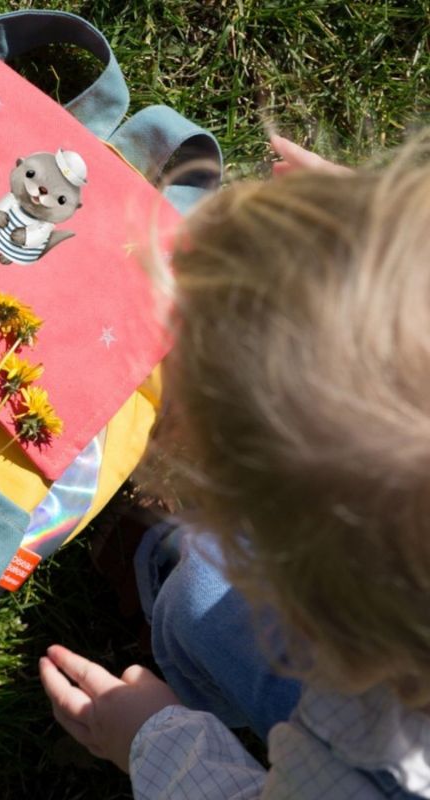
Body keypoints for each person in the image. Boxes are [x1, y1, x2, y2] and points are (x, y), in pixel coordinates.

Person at [39, 134, 430, 798]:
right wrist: (375, 227)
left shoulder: (349, 772)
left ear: (310, 619)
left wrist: (158, 743)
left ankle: (158, 563)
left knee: (199, 598)